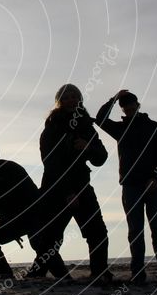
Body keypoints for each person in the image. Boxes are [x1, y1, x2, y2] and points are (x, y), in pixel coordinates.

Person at [32, 84, 112, 283]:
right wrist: (67, 193)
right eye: (66, 97)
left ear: (79, 99)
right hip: (56, 188)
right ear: (59, 101)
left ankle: (100, 272)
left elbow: (101, 157)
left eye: (74, 96)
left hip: (82, 185)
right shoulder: (52, 127)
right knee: (51, 236)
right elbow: (51, 163)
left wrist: (88, 147)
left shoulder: (86, 126)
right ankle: (36, 274)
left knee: (97, 231)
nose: (70, 100)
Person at [97, 90, 157, 283]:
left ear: (138, 105)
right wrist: (112, 99)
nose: (129, 107)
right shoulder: (120, 128)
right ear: (122, 108)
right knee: (135, 230)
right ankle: (137, 272)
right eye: (125, 105)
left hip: (154, 185)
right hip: (130, 186)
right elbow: (100, 119)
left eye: (132, 104)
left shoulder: (153, 127)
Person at [0, 140, 66, 280]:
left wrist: (19, 222)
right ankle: (6, 274)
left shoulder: (6, 167)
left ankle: (7, 274)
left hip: (32, 214)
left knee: (40, 244)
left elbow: (27, 194)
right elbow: (2, 203)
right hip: (22, 217)